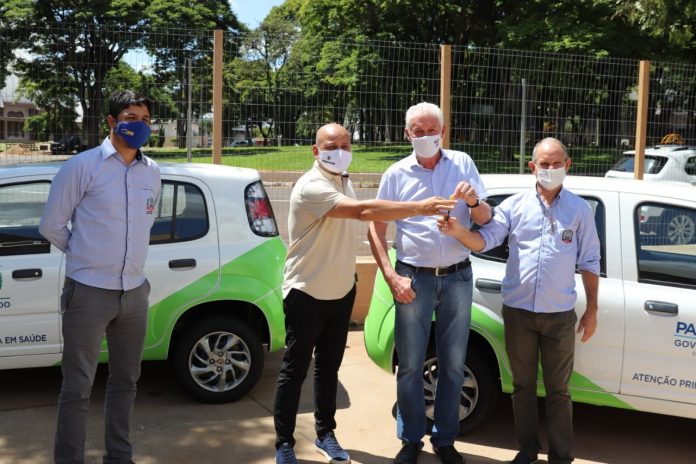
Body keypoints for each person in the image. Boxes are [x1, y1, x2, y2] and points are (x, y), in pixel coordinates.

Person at [273, 123, 455, 464]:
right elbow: (362, 212)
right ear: (316, 150)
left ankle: (325, 433)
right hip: (306, 292)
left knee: (328, 368)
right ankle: (284, 442)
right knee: (294, 371)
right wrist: (419, 208)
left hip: (341, 291)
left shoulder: (343, 180)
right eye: (332, 145)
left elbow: (363, 211)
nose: (340, 151)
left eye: (346, 144)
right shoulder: (312, 186)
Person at [437, 137, 600, 464]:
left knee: (559, 390)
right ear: (532, 167)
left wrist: (592, 309)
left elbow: (590, 261)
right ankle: (527, 450)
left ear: (567, 166)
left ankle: (560, 456)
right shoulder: (514, 206)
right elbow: (485, 240)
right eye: (544, 164)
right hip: (519, 314)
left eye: (557, 163)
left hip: (559, 315)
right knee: (523, 386)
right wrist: (459, 233)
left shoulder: (580, 210)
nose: (550, 169)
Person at [40, 90, 161, 464]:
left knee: (126, 382)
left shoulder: (152, 171)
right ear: (111, 121)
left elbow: (147, 221)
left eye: (145, 119)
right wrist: (84, 254)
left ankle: (119, 457)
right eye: (130, 118)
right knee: (78, 386)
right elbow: (51, 225)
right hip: (88, 293)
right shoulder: (82, 166)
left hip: (134, 293)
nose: (139, 125)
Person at [367, 102, 492, 464]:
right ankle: (410, 439)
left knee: (453, 364)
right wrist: (391, 276)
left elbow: (485, 218)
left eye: (431, 130)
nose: (425, 137)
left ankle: (445, 439)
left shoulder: (463, 164)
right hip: (413, 278)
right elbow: (376, 228)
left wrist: (473, 200)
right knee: (410, 364)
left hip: (457, 277)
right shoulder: (396, 174)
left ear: (443, 131)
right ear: (407, 134)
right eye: (418, 132)